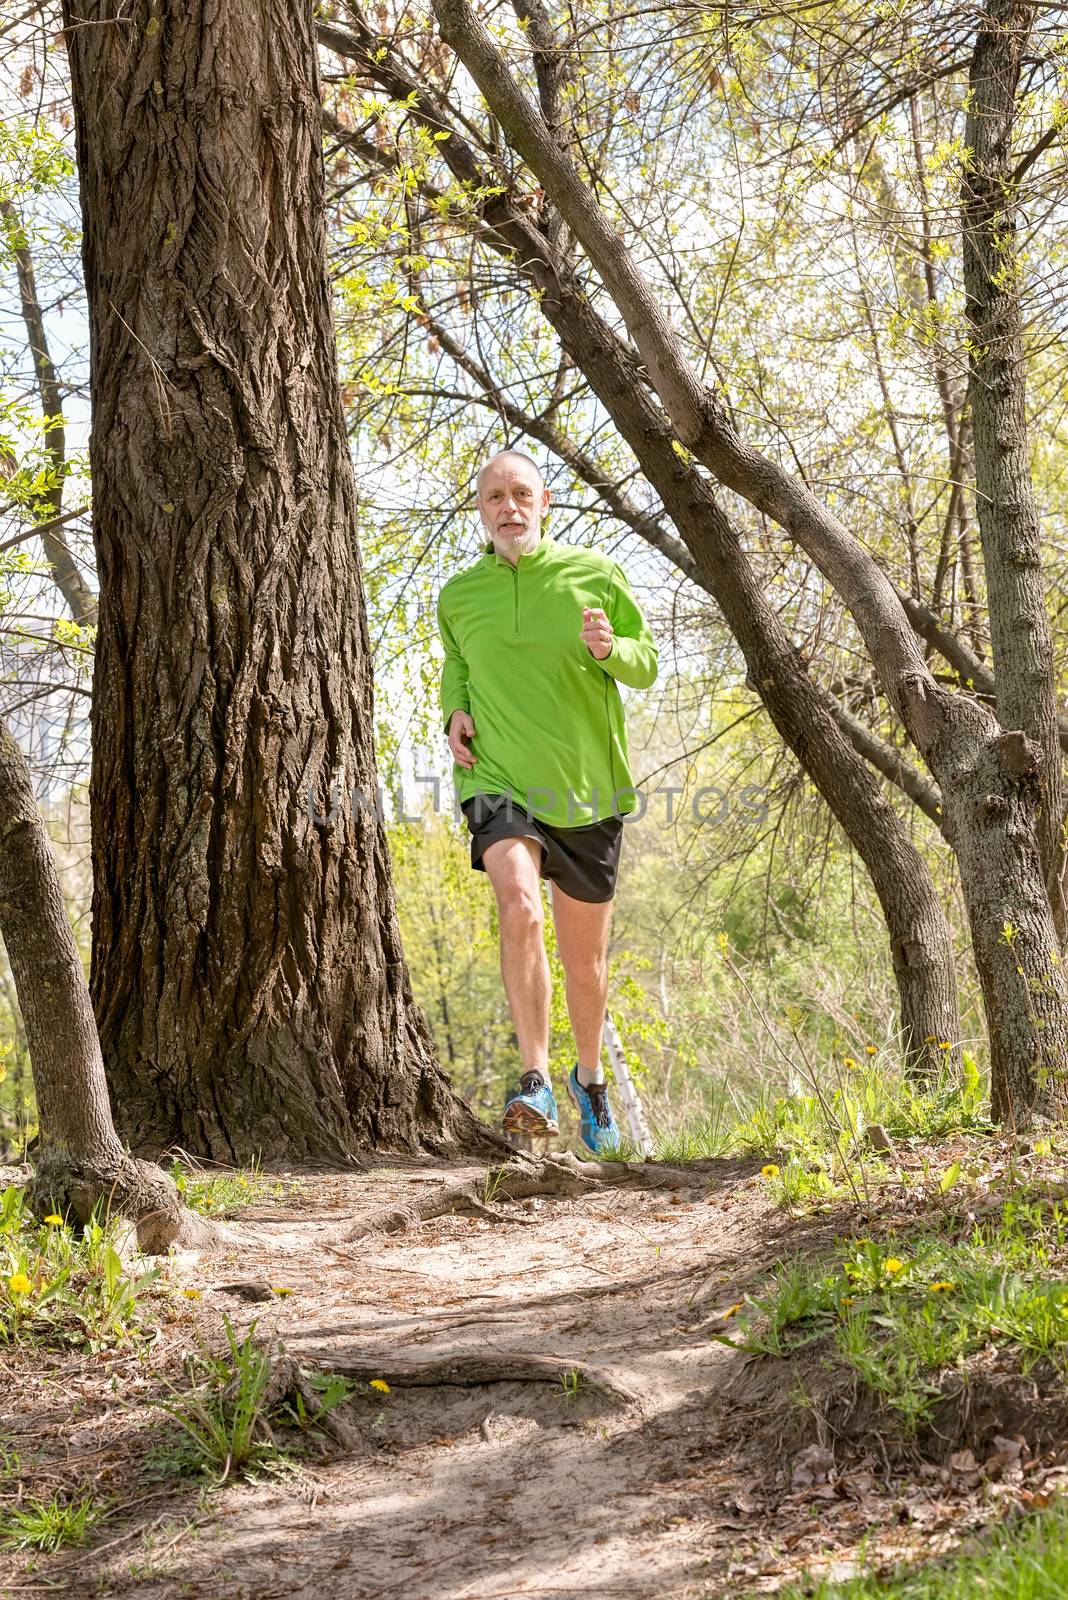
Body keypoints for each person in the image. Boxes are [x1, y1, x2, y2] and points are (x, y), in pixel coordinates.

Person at [436, 450, 658, 1153]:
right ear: (480, 508)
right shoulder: (460, 594)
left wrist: (610, 648)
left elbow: (645, 661)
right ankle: (533, 1078)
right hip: (498, 778)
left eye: (521, 493)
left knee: (584, 961)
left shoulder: (595, 575)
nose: (509, 506)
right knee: (519, 905)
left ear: (545, 500)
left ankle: (587, 1080)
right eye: (495, 496)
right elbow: (458, 664)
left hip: (589, 787)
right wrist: (454, 710)